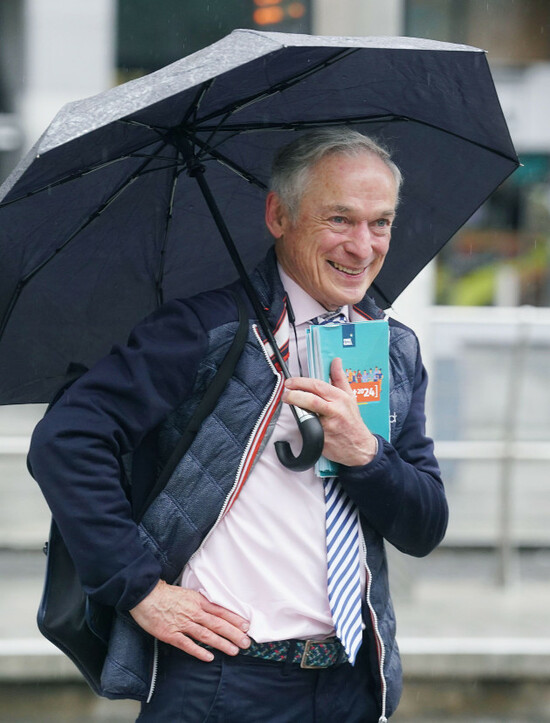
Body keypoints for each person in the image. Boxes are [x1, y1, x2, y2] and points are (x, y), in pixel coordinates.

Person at [28, 128, 448, 722]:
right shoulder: (203, 331)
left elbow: (425, 526)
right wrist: (139, 590)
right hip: (218, 682)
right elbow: (65, 441)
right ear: (279, 215)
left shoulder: (391, 349)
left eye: (380, 223)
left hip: (352, 685)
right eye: (339, 219)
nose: (363, 246)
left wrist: (365, 456)